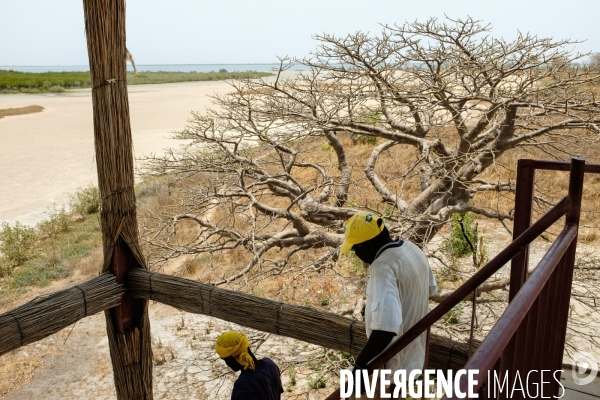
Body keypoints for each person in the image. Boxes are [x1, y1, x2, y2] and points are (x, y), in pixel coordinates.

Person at [340, 212, 438, 398]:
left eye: (355, 249)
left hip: (388, 364)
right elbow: (428, 289)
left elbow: (385, 330)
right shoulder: (412, 249)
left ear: (367, 244)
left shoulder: (382, 267)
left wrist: (360, 365)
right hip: (413, 355)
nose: (357, 255)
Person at [215, 330, 283, 400]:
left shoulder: (243, 386)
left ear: (233, 358)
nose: (227, 364)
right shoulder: (269, 364)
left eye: (225, 360)